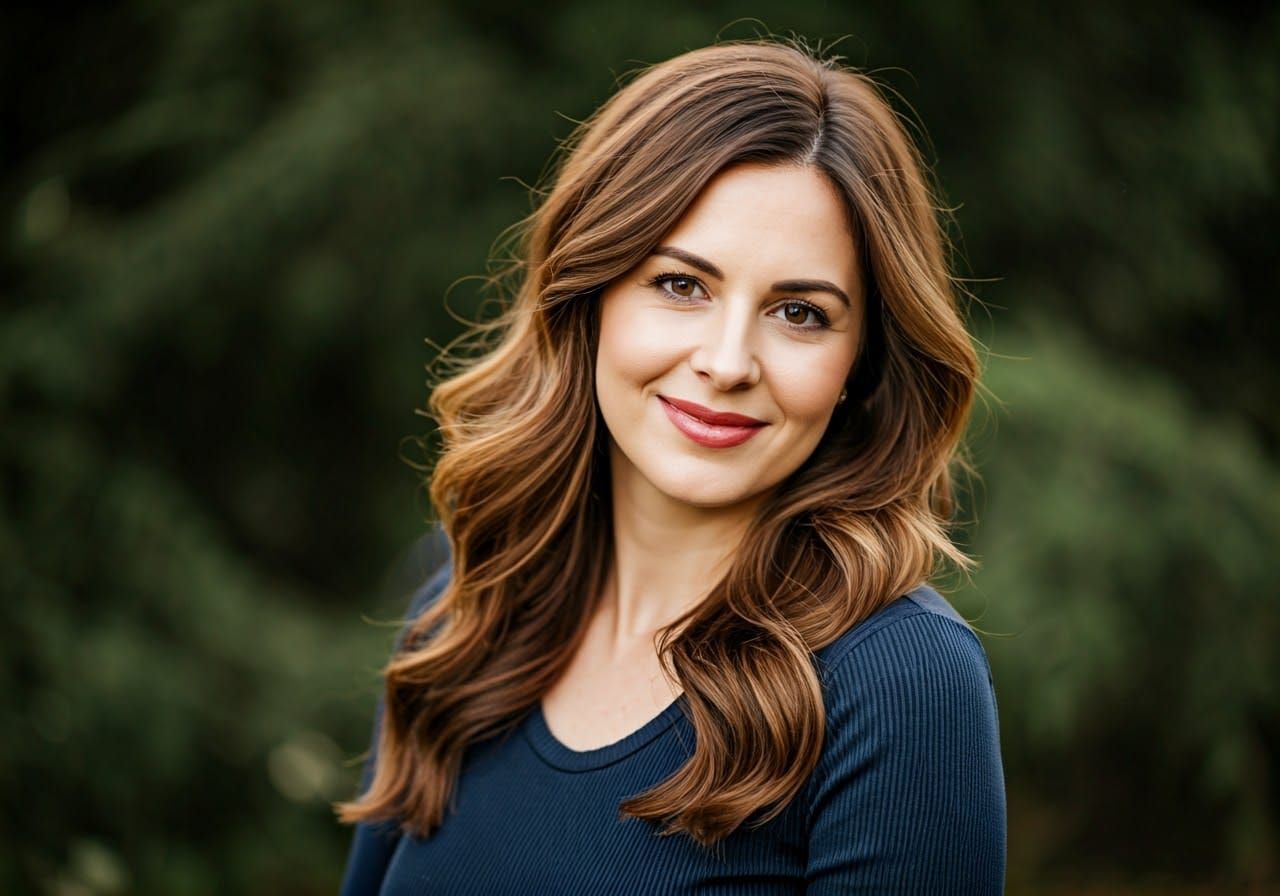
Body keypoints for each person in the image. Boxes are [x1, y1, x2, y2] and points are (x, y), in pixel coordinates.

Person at [335, 37, 1006, 894]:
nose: (728, 362)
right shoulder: (467, 609)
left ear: (861, 366)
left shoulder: (901, 687)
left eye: (799, 312)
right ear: (591, 294)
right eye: (682, 285)